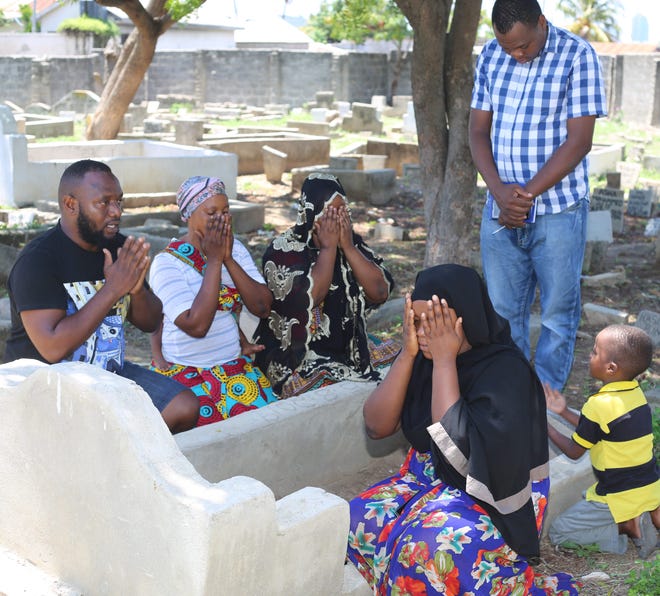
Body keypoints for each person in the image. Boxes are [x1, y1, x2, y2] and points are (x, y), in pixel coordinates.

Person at [347, 264, 579, 594]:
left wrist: (444, 362)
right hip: (428, 478)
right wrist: (407, 355)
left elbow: (462, 453)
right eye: (417, 321)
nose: (424, 332)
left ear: (464, 318)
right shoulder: (422, 356)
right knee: (358, 518)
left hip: (491, 493)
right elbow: (376, 427)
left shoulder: (505, 371)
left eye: (435, 321)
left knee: (426, 547)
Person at [469, 0, 608, 391]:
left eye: (524, 46)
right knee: (502, 315)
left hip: (558, 210)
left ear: (541, 23)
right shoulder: (492, 56)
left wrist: (525, 196)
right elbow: (478, 131)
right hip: (499, 211)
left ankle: (545, 406)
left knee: (557, 316)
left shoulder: (577, 55)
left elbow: (579, 141)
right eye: (508, 46)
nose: (516, 54)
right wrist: (499, 193)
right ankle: (513, 401)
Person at [3, 159, 199, 434]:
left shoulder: (118, 248)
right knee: (100, 437)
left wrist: (135, 289)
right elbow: (52, 347)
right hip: (45, 384)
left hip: (107, 372)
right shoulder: (38, 261)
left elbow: (151, 322)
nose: (116, 211)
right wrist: (112, 288)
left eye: (119, 201)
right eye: (103, 203)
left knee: (184, 407)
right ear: (71, 204)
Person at [253, 173, 397, 398]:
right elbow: (313, 297)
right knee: (329, 393)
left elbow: (379, 292)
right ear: (311, 212)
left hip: (350, 347)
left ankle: (436, 433)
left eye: (343, 211)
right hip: (295, 356)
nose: (338, 220)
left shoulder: (351, 243)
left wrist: (348, 248)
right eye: (331, 212)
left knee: (404, 367)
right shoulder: (283, 251)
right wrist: (329, 250)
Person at [148, 176, 277, 426]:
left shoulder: (234, 249)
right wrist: (215, 261)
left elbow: (262, 307)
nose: (221, 219)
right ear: (188, 214)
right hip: (187, 372)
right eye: (211, 212)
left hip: (234, 369)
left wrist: (228, 258)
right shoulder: (167, 263)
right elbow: (196, 326)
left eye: (226, 211)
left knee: (261, 432)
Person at [545, 324, 659, 559]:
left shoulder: (598, 404)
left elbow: (575, 452)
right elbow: (597, 428)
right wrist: (564, 412)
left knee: (559, 532)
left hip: (617, 494)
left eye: (595, 352)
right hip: (648, 485)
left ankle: (628, 526)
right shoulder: (634, 394)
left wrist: (543, 425)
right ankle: (645, 517)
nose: (590, 355)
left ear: (611, 368)